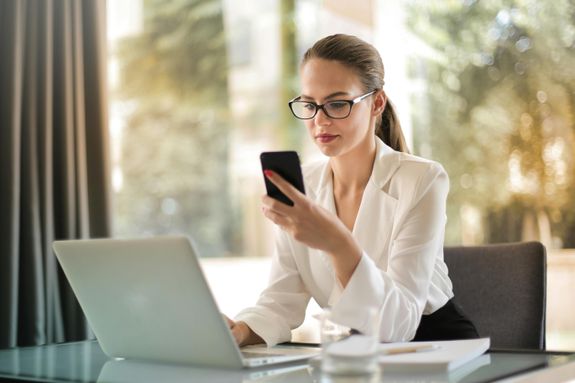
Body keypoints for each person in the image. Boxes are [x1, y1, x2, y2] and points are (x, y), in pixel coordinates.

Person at [225, 34, 479, 346]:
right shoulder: (301, 188)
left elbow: (398, 326)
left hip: (435, 349)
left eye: (336, 103)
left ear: (377, 103)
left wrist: (337, 244)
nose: (320, 120)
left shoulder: (422, 179)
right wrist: (241, 331)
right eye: (310, 104)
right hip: (353, 353)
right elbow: (281, 301)